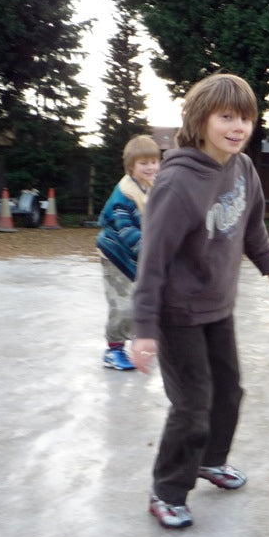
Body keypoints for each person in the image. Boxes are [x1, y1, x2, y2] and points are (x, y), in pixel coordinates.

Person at [130, 73, 269, 530]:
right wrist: (143, 330)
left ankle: (210, 460)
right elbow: (152, 260)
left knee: (229, 392)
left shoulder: (242, 169)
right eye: (226, 117)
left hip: (218, 307)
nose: (238, 127)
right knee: (192, 405)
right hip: (177, 314)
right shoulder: (177, 183)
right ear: (201, 121)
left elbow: (251, 225)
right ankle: (166, 491)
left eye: (245, 118)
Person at [95, 134, 160, 371]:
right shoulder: (123, 194)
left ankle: (136, 344)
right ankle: (112, 351)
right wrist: (150, 253)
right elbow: (128, 231)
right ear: (131, 166)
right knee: (122, 305)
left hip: (134, 257)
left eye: (154, 161)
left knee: (140, 301)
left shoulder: (151, 186)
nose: (151, 167)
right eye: (144, 163)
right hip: (115, 256)